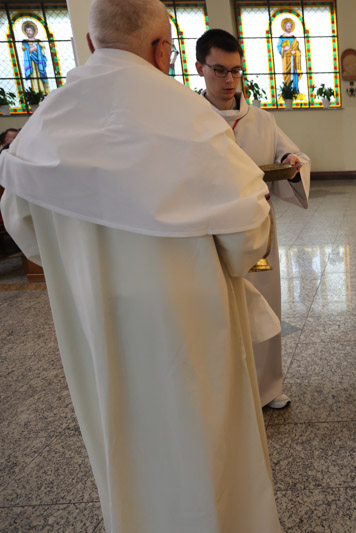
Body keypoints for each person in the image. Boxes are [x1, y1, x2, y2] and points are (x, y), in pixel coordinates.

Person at [0, 0, 282, 530]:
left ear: (90, 43)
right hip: (189, 325)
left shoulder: (46, 122)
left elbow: (25, 230)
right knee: (201, 442)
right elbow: (247, 235)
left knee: (125, 444)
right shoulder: (192, 119)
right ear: (161, 49)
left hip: (95, 320)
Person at [196, 28, 311, 410]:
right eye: (219, 70)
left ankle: (267, 387)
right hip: (208, 231)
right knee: (216, 311)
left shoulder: (261, 120)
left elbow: (292, 157)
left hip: (258, 230)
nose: (229, 80)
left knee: (265, 302)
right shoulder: (188, 121)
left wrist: (290, 164)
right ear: (200, 68)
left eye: (236, 71)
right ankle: (224, 395)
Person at [21, 21, 50, 95]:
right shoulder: (25, 42)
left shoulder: (38, 41)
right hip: (31, 62)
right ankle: (36, 93)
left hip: (40, 61)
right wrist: (33, 48)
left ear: (33, 31)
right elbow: (25, 51)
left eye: (30, 30)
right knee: (34, 76)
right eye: (27, 30)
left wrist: (36, 48)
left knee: (41, 74)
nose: (28, 32)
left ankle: (45, 92)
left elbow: (43, 50)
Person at [278, 17, 301, 92]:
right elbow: (279, 47)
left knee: (294, 74)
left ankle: (295, 91)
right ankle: (287, 91)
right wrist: (284, 49)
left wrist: (296, 52)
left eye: (290, 26)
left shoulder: (294, 38)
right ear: (284, 27)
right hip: (286, 60)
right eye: (288, 26)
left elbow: (298, 49)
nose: (289, 27)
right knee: (287, 75)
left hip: (294, 60)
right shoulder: (281, 37)